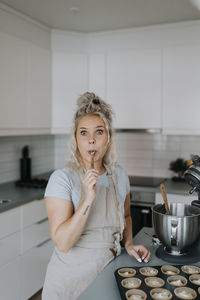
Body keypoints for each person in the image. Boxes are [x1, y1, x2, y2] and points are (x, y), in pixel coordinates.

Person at [42, 92, 151, 300]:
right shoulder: (62, 179)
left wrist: (128, 243)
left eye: (98, 132)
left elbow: (126, 217)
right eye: (83, 133)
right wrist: (87, 199)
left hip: (108, 271)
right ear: (76, 139)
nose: (91, 140)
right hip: (69, 282)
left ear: (108, 137)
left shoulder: (119, 174)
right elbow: (63, 243)